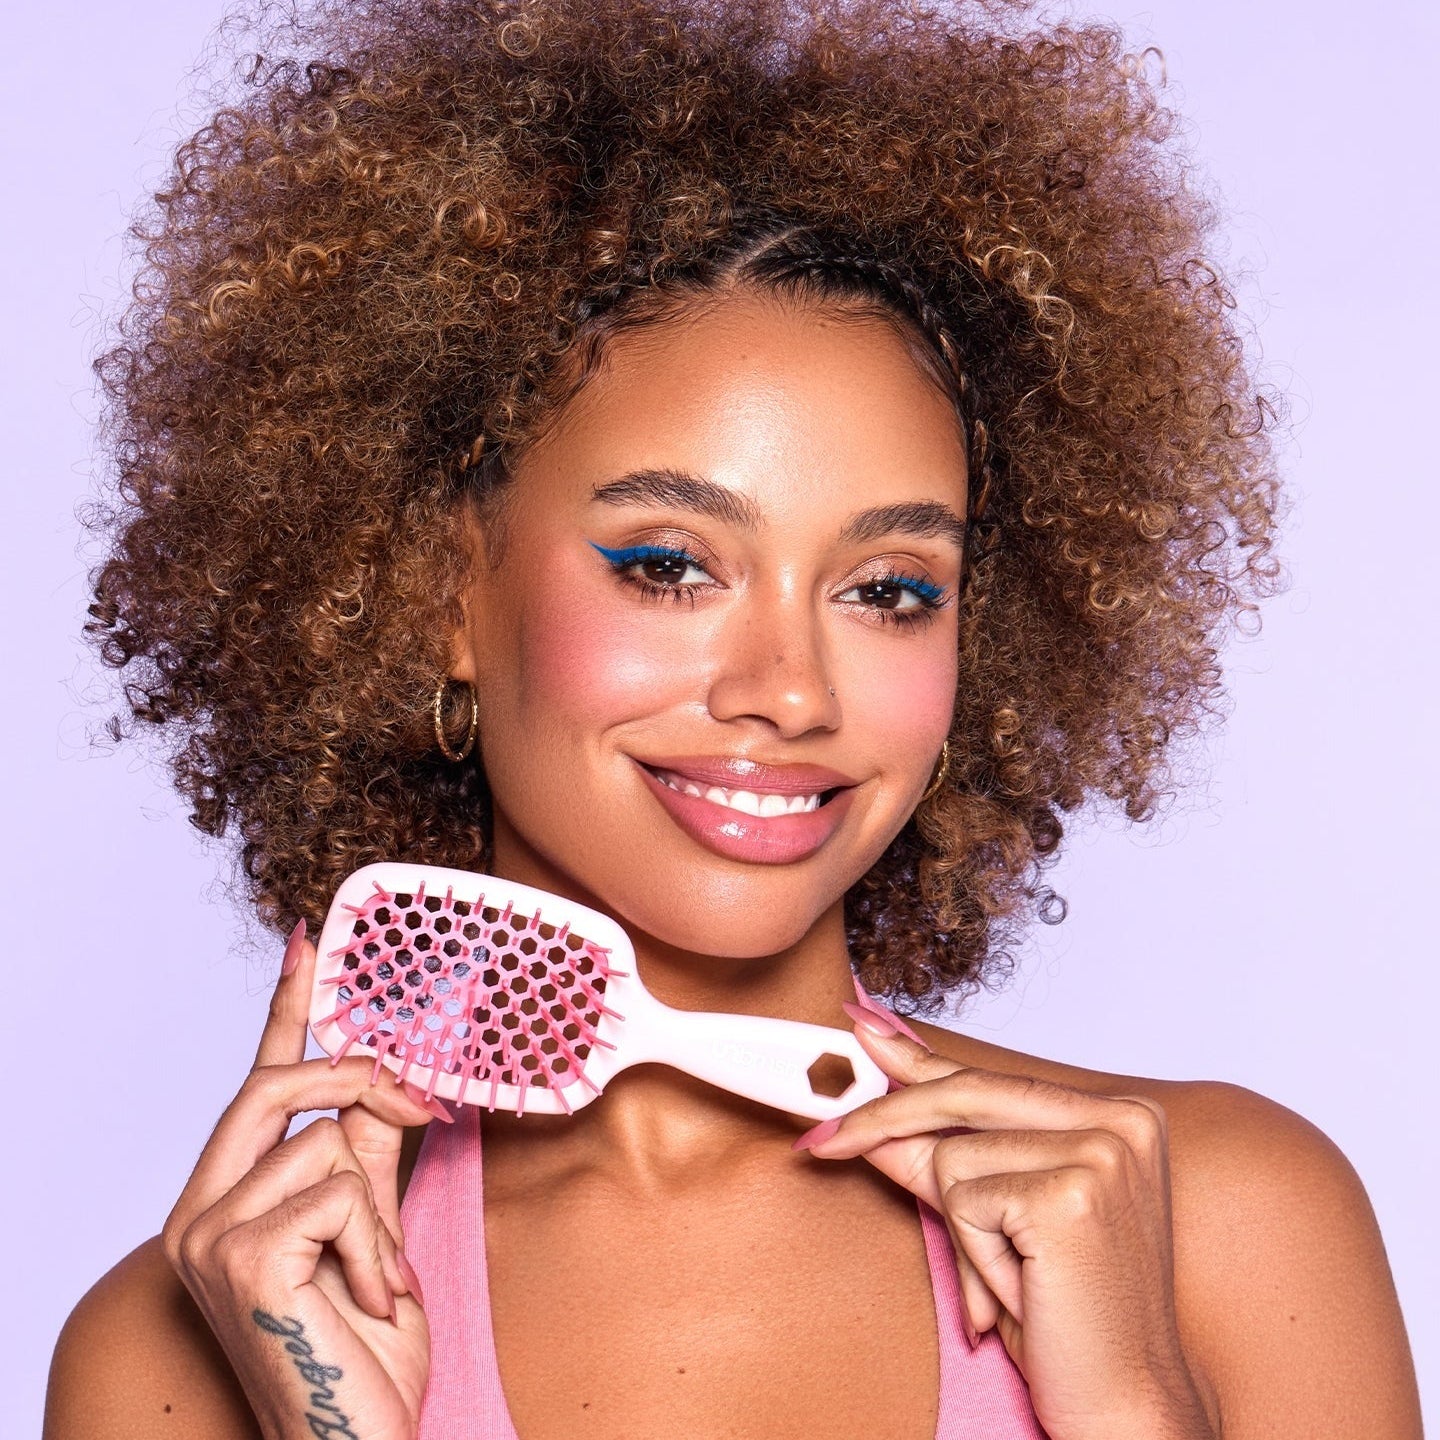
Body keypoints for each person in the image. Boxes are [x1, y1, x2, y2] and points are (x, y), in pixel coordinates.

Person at [44, 0, 1422, 1436]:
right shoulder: (187, 1347)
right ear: (432, 593)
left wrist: (1136, 1404)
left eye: (890, 590)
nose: (792, 690)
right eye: (667, 567)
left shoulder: (1222, 1221)